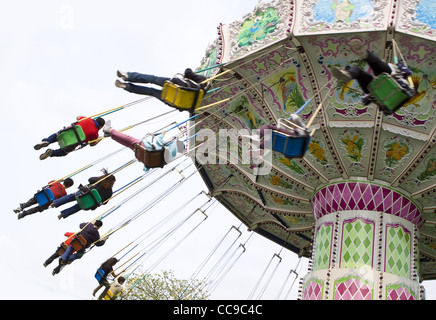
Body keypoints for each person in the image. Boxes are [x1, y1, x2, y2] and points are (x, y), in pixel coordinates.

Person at [331, 39, 415, 106]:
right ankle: (349, 73)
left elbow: (407, 72)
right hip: (382, 84)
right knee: (366, 70)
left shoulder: (396, 67)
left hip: (391, 81)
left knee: (380, 69)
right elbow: (408, 73)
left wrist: (397, 66)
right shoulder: (393, 69)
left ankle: (364, 56)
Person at [102, 120, 185, 170]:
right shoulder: (170, 158)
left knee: (128, 139)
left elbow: (158, 141)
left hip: (146, 148)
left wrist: (162, 134)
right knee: (128, 144)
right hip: (145, 157)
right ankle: (111, 134)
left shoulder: (168, 147)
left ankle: (109, 130)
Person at [34, 116, 106, 160]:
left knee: (56, 136)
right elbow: (92, 144)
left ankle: (47, 141)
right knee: (64, 152)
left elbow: (78, 117)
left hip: (67, 132)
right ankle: (51, 153)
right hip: (72, 142)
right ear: (100, 127)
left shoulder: (87, 119)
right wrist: (100, 139)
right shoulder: (95, 134)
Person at [115, 68, 207, 100]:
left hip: (178, 86)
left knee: (153, 79)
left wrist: (189, 72)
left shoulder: (203, 82)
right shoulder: (202, 95)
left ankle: (128, 76)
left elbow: (188, 72)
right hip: (175, 100)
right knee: (151, 92)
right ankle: (126, 86)